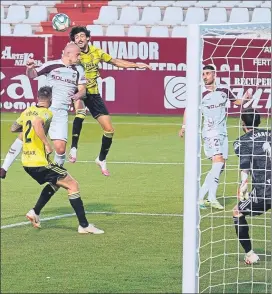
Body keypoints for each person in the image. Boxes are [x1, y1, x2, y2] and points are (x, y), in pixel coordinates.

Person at [11, 86, 103, 234]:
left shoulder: (26, 111)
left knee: (57, 183)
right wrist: (46, 144)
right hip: (39, 162)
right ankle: (84, 226)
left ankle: (35, 211)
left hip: (26, 161)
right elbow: (36, 123)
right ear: (51, 99)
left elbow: (14, 127)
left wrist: (27, 130)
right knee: (73, 184)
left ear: (38, 97)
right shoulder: (47, 112)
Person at [68, 26, 152, 176]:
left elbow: (115, 61)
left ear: (87, 38)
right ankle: (74, 148)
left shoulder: (96, 52)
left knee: (109, 130)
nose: (79, 39)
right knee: (80, 111)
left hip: (93, 94)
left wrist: (136, 65)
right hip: (78, 90)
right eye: (76, 37)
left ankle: (101, 159)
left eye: (82, 36)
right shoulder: (73, 54)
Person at [0, 43, 86, 179]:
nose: (80, 57)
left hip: (61, 113)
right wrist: (29, 68)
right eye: (78, 54)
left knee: (61, 149)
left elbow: (83, 89)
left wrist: (78, 95)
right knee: (24, 135)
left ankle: (55, 176)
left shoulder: (79, 69)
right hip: (45, 109)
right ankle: (4, 167)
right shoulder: (51, 65)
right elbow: (32, 75)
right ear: (68, 54)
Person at [179, 64, 252, 209]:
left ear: (214, 75)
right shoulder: (200, 93)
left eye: (207, 74)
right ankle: (207, 197)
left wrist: (245, 97)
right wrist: (184, 126)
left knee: (220, 166)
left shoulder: (224, 90)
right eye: (203, 74)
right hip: (210, 132)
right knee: (218, 162)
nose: (204, 77)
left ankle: (203, 198)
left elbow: (237, 103)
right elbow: (188, 109)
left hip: (222, 132)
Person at [232, 109, 271, 264]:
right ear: (259, 122)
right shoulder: (270, 133)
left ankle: (250, 254)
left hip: (264, 190)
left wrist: (243, 184)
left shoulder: (242, 141)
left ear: (243, 124)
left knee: (237, 211)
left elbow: (245, 163)